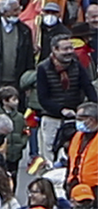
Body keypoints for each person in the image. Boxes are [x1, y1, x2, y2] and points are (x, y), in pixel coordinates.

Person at [38, 35, 98, 164]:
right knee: (48, 154)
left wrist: (93, 107)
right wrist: (61, 110)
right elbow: (43, 98)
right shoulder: (43, 68)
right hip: (52, 118)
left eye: (71, 48)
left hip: (75, 117)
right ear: (55, 49)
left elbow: (88, 87)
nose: (69, 52)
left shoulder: (77, 65)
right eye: (65, 49)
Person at [67, 102, 98, 196]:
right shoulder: (77, 136)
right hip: (75, 187)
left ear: (91, 120)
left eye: (80, 119)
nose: (77, 122)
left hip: (94, 190)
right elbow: (70, 161)